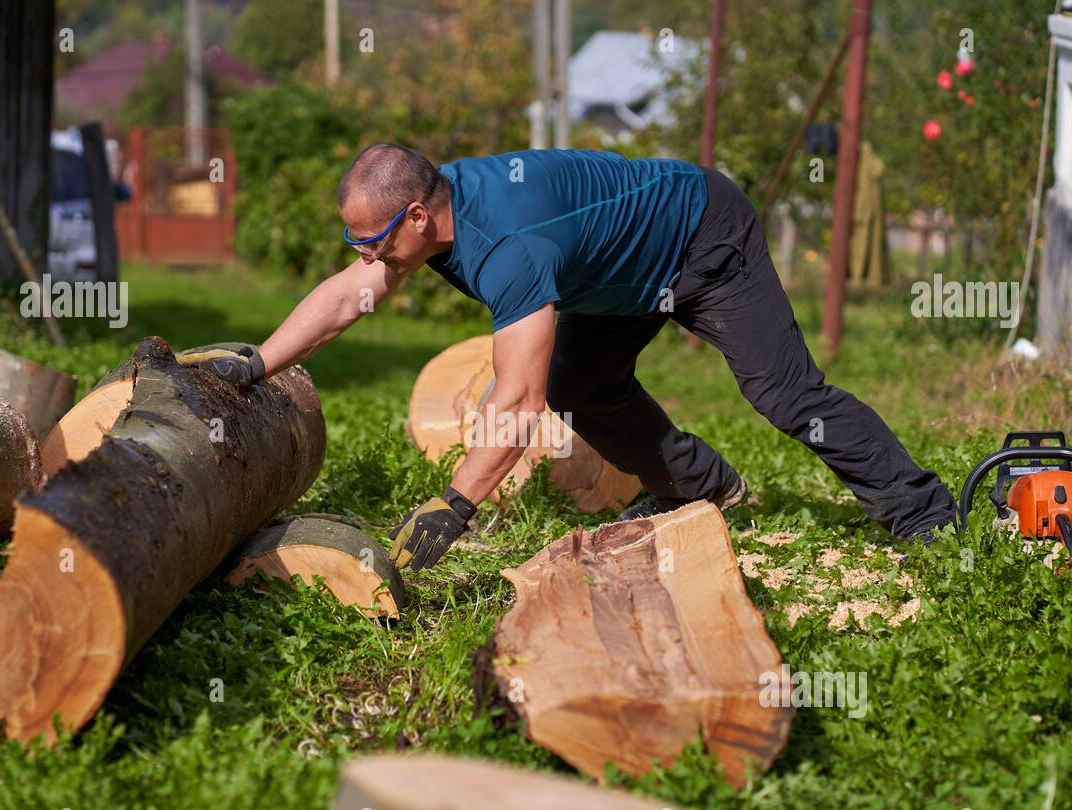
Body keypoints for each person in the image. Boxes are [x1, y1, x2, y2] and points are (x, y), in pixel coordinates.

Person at [187, 143, 957, 572]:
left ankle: (928, 514)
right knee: (577, 382)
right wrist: (257, 365)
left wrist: (454, 505)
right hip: (628, 276)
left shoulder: (506, 248)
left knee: (787, 397)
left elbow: (514, 404)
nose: (363, 255)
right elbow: (344, 298)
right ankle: (701, 486)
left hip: (702, 242)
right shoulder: (436, 219)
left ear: (418, 215)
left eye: (370, 241)